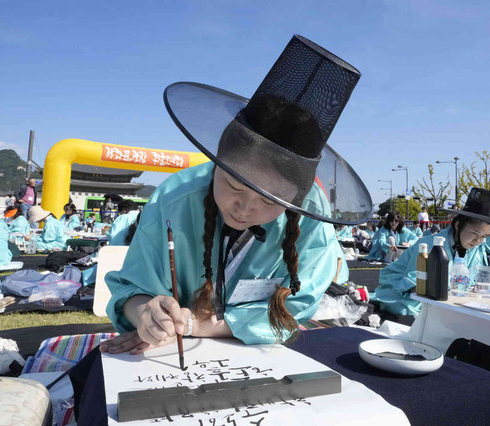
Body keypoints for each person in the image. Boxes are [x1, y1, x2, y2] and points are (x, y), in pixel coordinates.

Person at [99, 35, 371, 354]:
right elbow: (132, 288)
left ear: (296, 198)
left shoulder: (309, 213)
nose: (243, 208)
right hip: (169, 353)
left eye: (270, 201)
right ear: (218, 162)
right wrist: (146, 312)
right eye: (233, 185)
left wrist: (199, 326)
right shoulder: (175, 198)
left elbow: (299, 303)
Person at [371, 188, 490, 315]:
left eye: (483, 236)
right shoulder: (429, 245)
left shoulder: (475, 248)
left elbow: (468, 281)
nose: (478, 240)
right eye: (475, 233)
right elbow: (415, 286)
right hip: (406, 299)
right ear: (458, 225)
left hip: (445, 301)